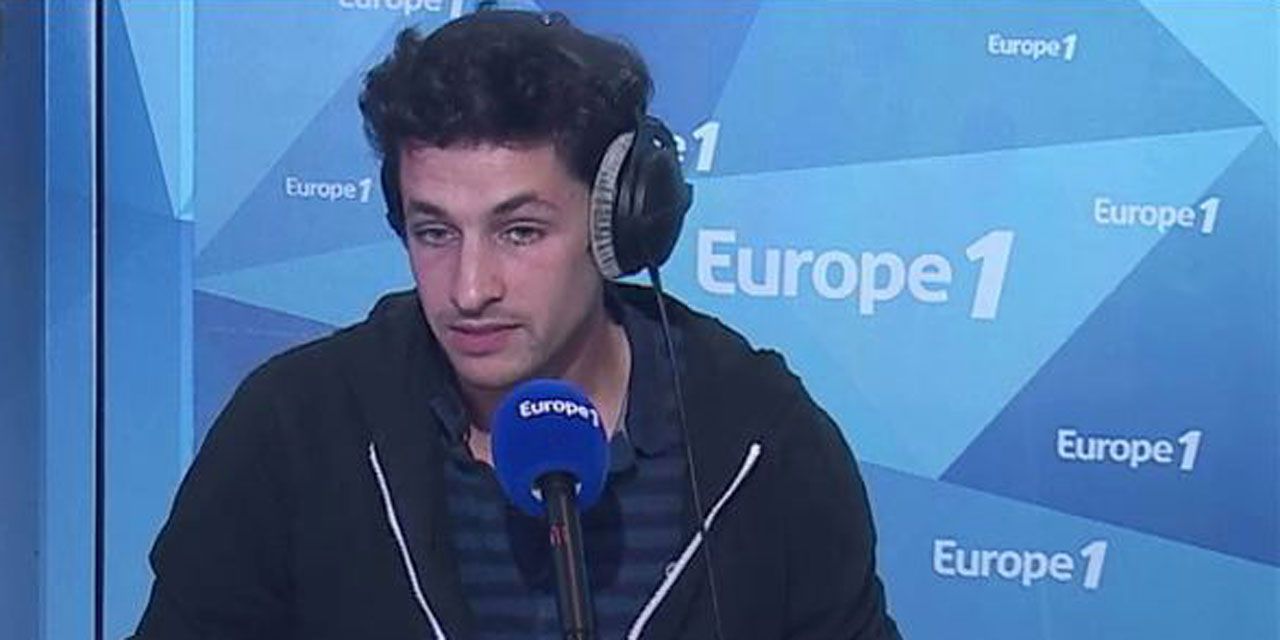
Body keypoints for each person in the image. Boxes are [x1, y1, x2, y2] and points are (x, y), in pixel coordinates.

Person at [132, 9, 901, 640]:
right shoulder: (295, 429)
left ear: (618, 226)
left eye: (520, 231)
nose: (470, 289)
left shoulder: (761, 439)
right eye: (435, 232)